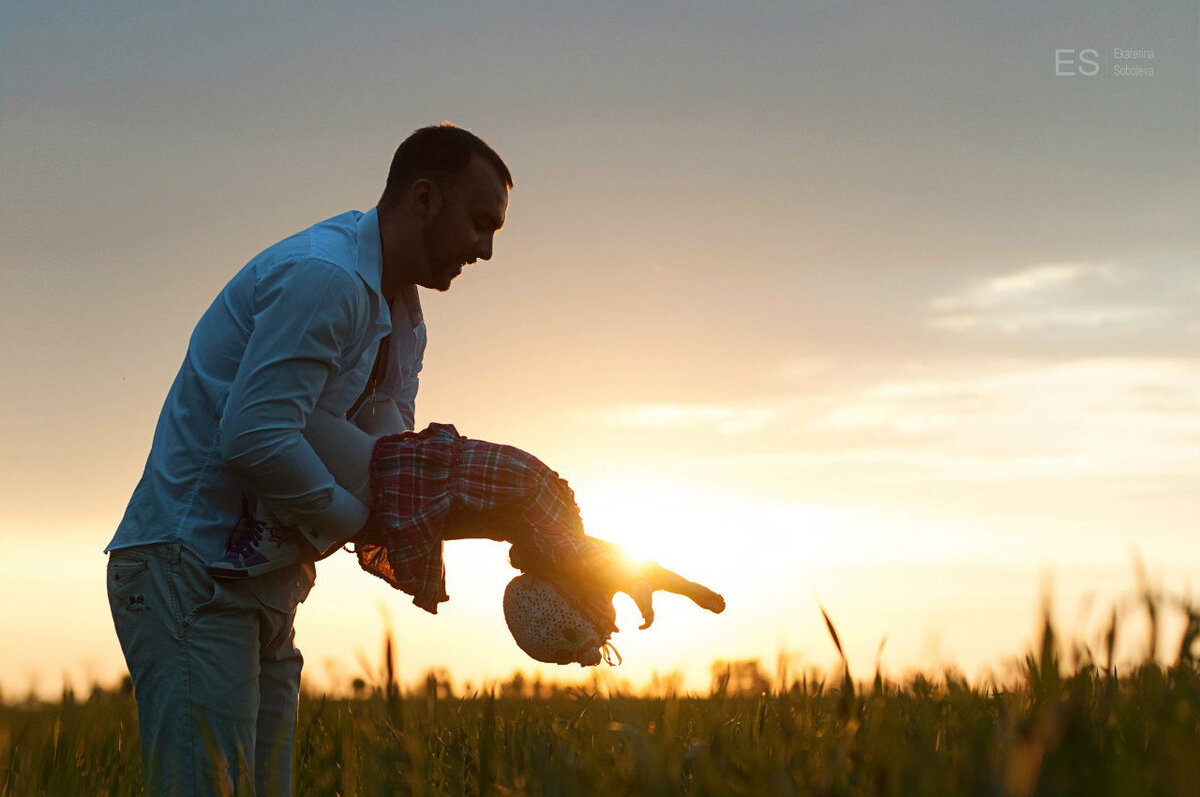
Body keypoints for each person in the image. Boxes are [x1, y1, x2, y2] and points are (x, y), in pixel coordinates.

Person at [105, 123, 512, 796]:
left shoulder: (405, 319)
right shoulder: (326, 278)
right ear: (423, 198)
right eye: (479, 223)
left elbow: (385, 466)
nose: (487, 250)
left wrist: (545, 534)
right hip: (190, 570)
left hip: (265, 579)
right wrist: (363, 522)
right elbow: (255, 436)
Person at [209, 412, 726, 667]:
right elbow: (598, 557)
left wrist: (642, 578)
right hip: (396, 476)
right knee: (285, 430)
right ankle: (248, 522)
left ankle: (256, 523)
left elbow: (601, 559)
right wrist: (672, 582)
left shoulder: (549, 538)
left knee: (306, 460)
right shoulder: (560, 542)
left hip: (401, 478)